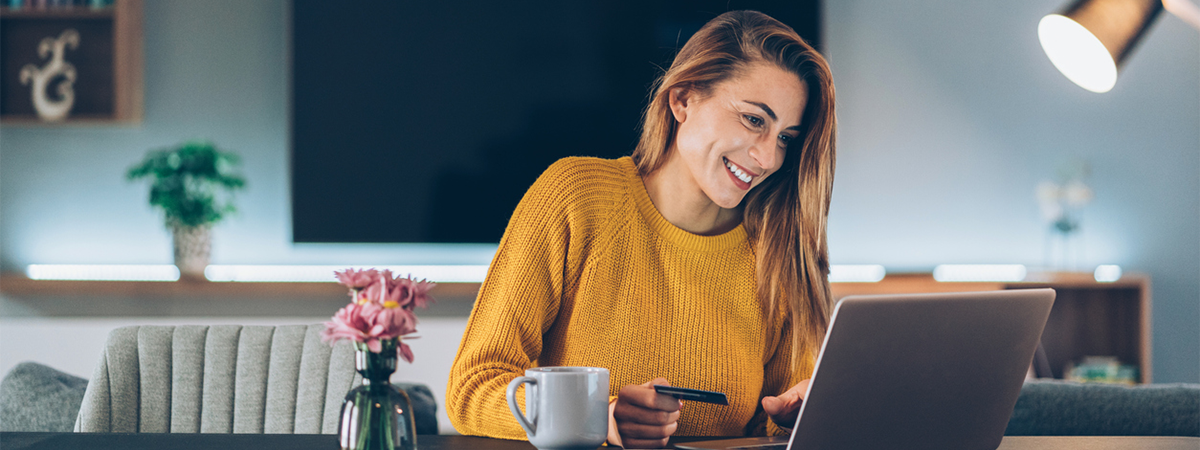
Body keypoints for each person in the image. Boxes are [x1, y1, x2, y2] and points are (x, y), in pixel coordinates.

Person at [446, 10, 836, 448]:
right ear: (682, 100)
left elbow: (771, 426)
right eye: (753, 120)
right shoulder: (576, 198)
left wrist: (796, 418)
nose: (768, 158)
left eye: (786, 137)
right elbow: (473, 388)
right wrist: (600, 419)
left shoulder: (777, 251)